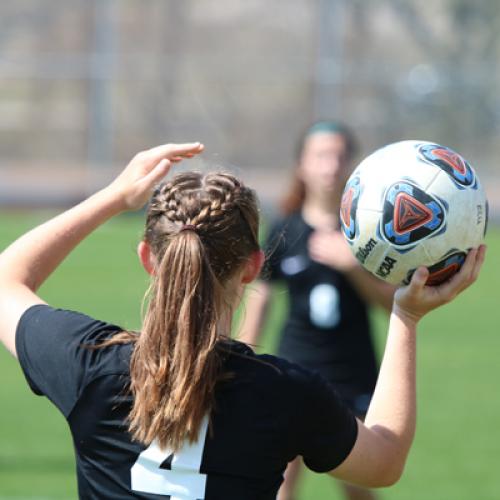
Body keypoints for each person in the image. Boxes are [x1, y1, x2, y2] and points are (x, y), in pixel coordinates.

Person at [0, 142, 484, 500]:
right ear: (253, 267)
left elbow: (7, 281)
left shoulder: (89, 363)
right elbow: (384, 462)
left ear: (149, 258)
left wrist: (114, 196)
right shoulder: (285, 391)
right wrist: (406, 315)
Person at [237, 122, 412, 500]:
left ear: (351, 164)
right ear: (301, 165)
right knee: (279, 485)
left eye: (338, 156)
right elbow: (259, 300)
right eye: (320, 156)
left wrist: (352, 266)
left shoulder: (366, 230)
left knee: (360, 486)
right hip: (293, 372)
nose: (330, 166)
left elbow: (393, 303)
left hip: (353, 376)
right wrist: (239, 362)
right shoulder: (285, 228)